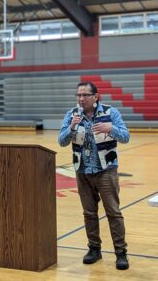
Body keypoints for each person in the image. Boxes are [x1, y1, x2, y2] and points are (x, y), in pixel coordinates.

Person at [58, 82, 130, 270]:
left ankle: (121, 253)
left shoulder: (111, 113)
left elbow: (125, 136)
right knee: (89, 213)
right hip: (82, 171)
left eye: (85, 95)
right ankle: (94, 249)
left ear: (95, 96)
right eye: (78, 95)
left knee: (113, 213)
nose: (81, 99)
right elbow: (61, 141)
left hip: (106, 171)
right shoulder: (71, 115)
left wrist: (110, 129)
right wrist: (71, 129)